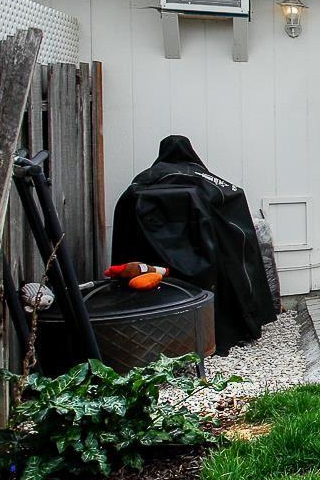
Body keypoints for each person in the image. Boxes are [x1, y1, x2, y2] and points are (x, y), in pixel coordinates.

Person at [110, 136, 279, 349]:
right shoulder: (202, 178)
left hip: (152, 263)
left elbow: (124, 215)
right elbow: (233, 202)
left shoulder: (144, 181)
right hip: (205, 262)